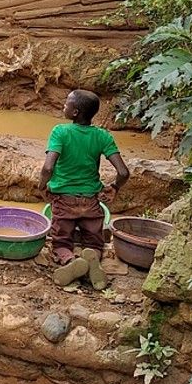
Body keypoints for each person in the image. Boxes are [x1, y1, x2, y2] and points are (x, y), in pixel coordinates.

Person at [38, 89, 130, 288]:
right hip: (91, 201)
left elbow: (48, 167)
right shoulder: (102, 136)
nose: (64, 105)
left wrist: (42, 186)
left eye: (67, 104)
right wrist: (114, 187)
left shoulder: (60, 132)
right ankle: (91, 259)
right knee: (95, 244)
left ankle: (71, 261)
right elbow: (123, 172)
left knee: (61, 242)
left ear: (75, 112)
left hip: (63, 200)